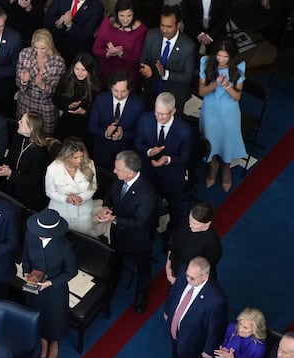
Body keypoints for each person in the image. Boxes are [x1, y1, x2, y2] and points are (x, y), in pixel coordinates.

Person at [152, 257, 228, 358]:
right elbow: (174, 291)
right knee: (178, 355)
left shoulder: (216, 299)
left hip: (198, 340)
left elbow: (216, 328)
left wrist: (209, 350)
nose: (187, 279)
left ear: (205, 276)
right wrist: (168, 310)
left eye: (192, 278)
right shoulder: (185, 271)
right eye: (187, 275)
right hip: (177, 331)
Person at [96, 150, 156, 313]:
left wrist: (113, 219)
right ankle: (113, 284)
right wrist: (106, 207)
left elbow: (140, 222)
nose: (114, 172)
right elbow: (109, 194)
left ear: (130, 173)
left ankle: (143, 292)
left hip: (138, 239)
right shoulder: (120, 178)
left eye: (118, 170)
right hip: (118, 233)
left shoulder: (147, 193)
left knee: (143, 267)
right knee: (115, 260)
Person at [22, 209, 77, 358]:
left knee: (55, 318)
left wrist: (50, 283)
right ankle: (43, 342)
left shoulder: (65, 247)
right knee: (38, 315)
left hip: (55, 289)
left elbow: (71, 271)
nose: (39, 234)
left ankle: (54, 343)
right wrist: (26, 271)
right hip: (35, 286)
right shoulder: (30, 235)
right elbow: (26, 257)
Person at [134, 92, 192, 232]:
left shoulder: (184, 130)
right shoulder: (145, 120)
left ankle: (172, 237)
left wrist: (167, 159)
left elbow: (185, 157)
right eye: (156, 112)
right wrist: (149, 152)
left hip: (171, 175)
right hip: (148, 171)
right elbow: (137, 143)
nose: (159, 117)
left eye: (163, 114)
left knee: (176, 208)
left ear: (173, 111)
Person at [198, 37, 246, 192]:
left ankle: (226, 167)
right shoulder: (206, 62)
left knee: (227, 140)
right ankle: (212, 165)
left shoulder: (239, 66)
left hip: (229, 112)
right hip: (210, 109)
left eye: (226, 57)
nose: (222, 60)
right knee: (209, 139)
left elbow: (237, 96)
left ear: (232, 57)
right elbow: (201, 92)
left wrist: (226, 85)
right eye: (219, 56)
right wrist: (215, 84)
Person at [138, 5, 197, 112]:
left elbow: (187, 77)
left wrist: (165, 74)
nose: (164, 30)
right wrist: (146, 69)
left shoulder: (189, 46)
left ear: (178, 25)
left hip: (174, 97)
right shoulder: (152, 35)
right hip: (151, 92)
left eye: (169, 27)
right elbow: (143, 58)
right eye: (162, 25)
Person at [87, 69, 144, 170]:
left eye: (123, 91)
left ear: (130, 89)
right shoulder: (100, 99)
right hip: (102, 153)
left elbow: (140, 133)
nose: (119, 95)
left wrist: (123, 135)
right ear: (110, 87)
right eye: (115, 90)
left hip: (125, 155)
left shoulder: (138, 104)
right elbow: (91, 127)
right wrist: (105, 133)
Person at [0, 113, 50, 211]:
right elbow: (10, 156)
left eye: (22, 122)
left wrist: (10, 173)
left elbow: (34, 179)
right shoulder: (18, 137)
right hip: (13, 187)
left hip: (28, 195)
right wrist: (4, 168)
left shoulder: (40, 151)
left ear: (31, 128)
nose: (18, 122)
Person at [15, 29, 65, 137]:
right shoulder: (25, 54)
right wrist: (24, 81)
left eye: (43, 48)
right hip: (26, 103)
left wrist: (43, 86)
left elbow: (56, 91)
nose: (39, 52)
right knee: (23, 135)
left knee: (44, 138)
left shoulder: (58, 62)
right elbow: (18, 82)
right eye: (36, 48)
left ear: (49, 46)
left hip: (46, 107)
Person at [44, 136, 98, 235]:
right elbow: (49, 192)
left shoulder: (89, 164)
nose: (80, 161)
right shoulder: (53, 168)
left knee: (83, 241)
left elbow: (93, 187)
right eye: (75, 158)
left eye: (82, 156)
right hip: (61, 213)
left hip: (83, 214)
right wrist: (66, 199)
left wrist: (81, 197)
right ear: (67, 155)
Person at [92, 0, 148, 94]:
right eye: (122, 15)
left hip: (128, 78)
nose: (125, 19)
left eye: (129, 16)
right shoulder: (106, 24)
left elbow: (137, 58)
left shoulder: (141, 30)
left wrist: (120, 53)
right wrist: (108, 53)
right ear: (116, 14)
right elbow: (95, 48)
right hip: (106, 74)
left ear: (134, 14)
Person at [165, 203, 222, 285]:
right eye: (190, 220)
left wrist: (180, 283)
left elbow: (204, 270)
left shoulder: (212, 244)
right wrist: (168, 264)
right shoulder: (186, 223)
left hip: (189, 279)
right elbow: (173, 241)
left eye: (195, 224)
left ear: (208, 223)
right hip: (175, 268)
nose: (190, 225)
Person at [53, 52, 101, 145]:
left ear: (90, 70)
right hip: (67, 121)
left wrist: (85, 112)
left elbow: (100, 109)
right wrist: (68, 106)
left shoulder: (97, 85)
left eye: (83, 70)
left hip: (86, 125)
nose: (79, 73)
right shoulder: (66, 78)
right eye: (77, 69)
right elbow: (55, 99)